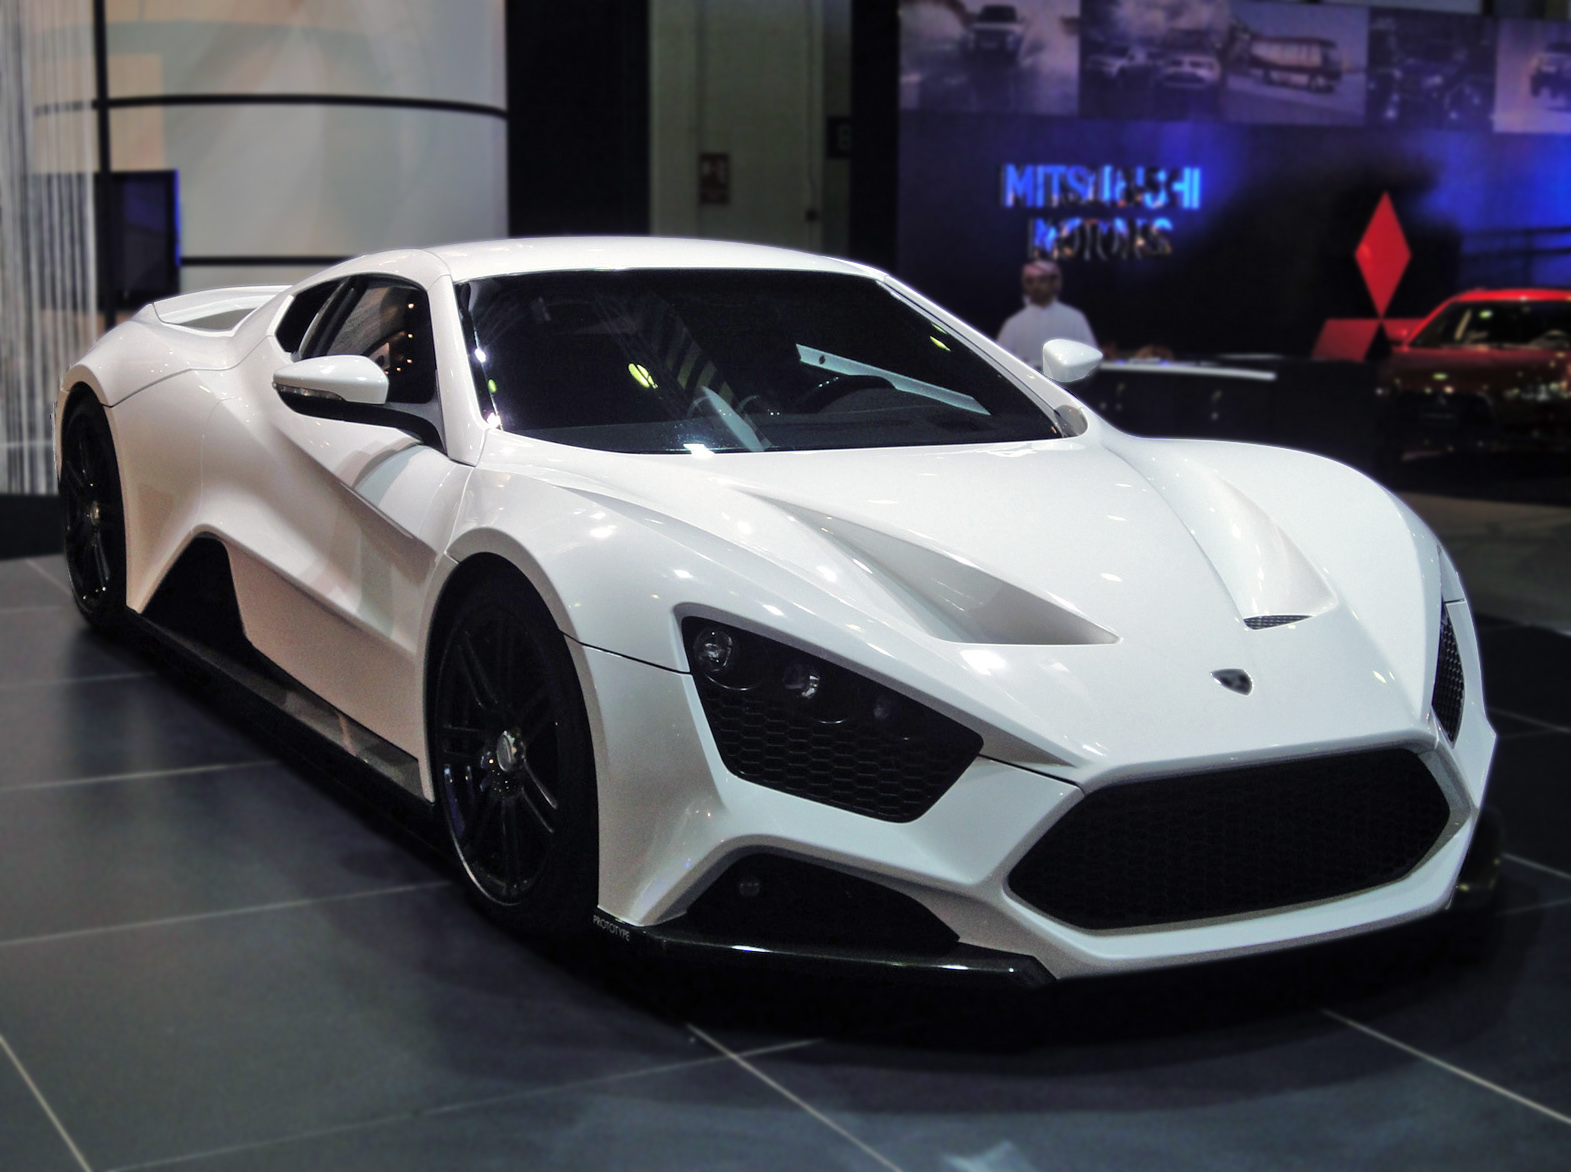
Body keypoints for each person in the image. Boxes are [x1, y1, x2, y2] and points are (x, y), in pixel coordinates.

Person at [996, 259, 1096, 369]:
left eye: (1041, 280)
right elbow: (1000, 362)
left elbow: (1091, 358)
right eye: (1030, 281)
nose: (1035, 286)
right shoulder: (1013, 324)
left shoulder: (1075, 319)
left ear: (1053, 283)